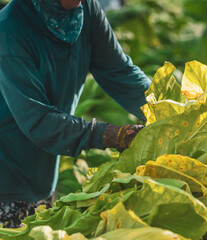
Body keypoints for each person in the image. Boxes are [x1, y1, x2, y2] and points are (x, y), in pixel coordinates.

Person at [0, 0, 150, 228]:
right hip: (6, 180)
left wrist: (166, 106)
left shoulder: (85, 9)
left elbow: (119, 72)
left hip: (43, 170)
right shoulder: (9, 30)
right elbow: (39, 122)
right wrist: (112, 135)